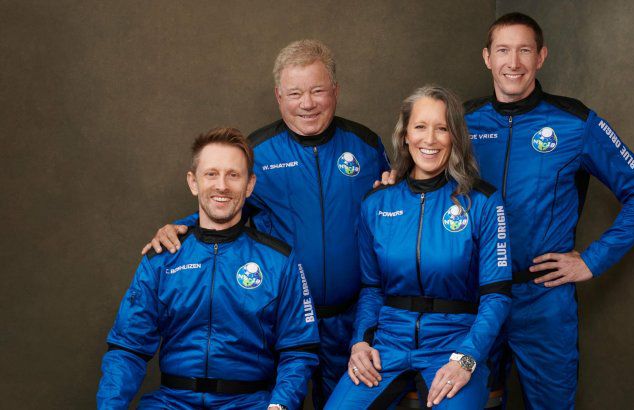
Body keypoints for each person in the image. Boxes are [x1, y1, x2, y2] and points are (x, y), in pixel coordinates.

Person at [142, 40, 390, 408]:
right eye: (295, 93)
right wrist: (179, 228)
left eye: (318, 90)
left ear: (335, 91)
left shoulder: (366, 146)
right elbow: (223, 205)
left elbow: (395, 207)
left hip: (350, 320)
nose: (307, 103)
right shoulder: (257, 152)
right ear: (278, 96)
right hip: (278, 325)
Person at [462, 12, 634, 409]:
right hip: (475, 296)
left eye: (524, 50)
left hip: (543, 300)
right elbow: (425, 183)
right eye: (503, 50)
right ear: (487, 57)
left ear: (541, 57)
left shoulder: (575, 122)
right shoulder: (461, 122)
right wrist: (391, 181)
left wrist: (591, 260)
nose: (513, 62)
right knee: (470, 402)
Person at [97, 128, 319, 410]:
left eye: (233, 175)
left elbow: (299, 349)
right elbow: (127, 348)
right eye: (211, 174)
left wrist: (281, 404)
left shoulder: (280, 261)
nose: (222, 186)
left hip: (249, 403)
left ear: (249, 185)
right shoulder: (162, 259)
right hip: (172, 402)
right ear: (194, 182)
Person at [325, 86, 512, 409]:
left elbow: (497, 296)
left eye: (442, 128)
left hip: (454, 345)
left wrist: (467, 358)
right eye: (420, 127)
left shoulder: (483, 202)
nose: (430, 139)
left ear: (456, 137)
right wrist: (360, 343)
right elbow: (371, 289)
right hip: (388, 346)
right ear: (405, 135)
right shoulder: (377, 203)